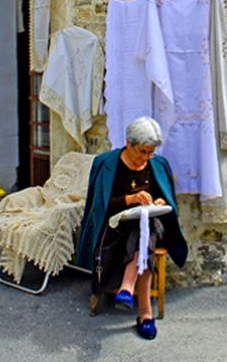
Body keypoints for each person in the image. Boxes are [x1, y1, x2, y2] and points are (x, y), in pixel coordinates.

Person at [76, 117, 188, 340]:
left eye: (150, 153)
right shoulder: (107, 164)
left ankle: (127, 288)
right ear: (128, 143)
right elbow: (101, 207)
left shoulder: (158, 165)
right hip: (116, 230)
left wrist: (158, 202)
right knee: (142, 233)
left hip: (152, 227)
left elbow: (165, 199)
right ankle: (145, 314)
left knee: (145, 225)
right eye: (142, 152)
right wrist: (130, 199)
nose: (146, 157)